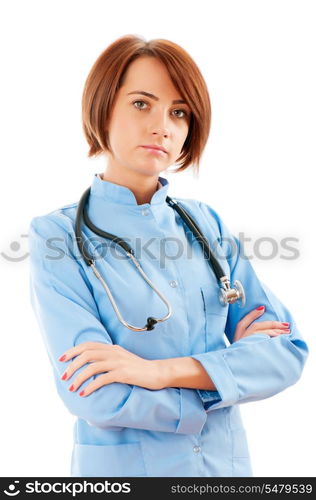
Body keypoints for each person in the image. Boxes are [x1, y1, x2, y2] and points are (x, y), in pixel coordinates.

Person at [29, 34, 308, 478]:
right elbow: (91, 392)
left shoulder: (206, 225)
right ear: (103, 108)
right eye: (142, 104)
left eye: (179, 112)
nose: (163, 126)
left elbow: (286, 353)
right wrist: (223, 377)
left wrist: (155, 372)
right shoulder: (58, 237)